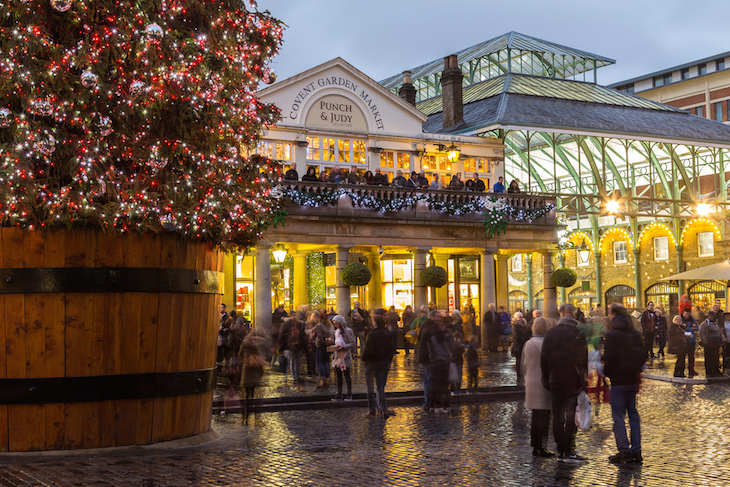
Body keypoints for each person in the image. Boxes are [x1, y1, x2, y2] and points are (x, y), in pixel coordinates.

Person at [540, 303, 588, 463]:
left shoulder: (551, 332)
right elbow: (583, 361)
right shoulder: (578, 334)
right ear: (573, 314)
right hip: (572, 380)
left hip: (555, 379)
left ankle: (560, 450)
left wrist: (545, 377)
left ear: (561, 314)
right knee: (571, 416)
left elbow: (544, 357)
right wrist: (584, 381)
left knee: (557, 416)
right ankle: (569, 450)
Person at [605, 304, 645, 464]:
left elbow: (609, 358)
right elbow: (643, 355)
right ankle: (637, 450)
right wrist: (633, 369)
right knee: (633, 415)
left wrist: (608, 372)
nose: (608, 316)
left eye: (609, 313)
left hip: (618, 381)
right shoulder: (634, 333)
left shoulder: (612, 334)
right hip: (631, 380)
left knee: (619, 417)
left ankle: (624, 451)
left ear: (614, 314)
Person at [523, 317, 554, 457]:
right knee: (545, 416)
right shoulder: (547, 343)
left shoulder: (528, 343)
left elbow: (523, 365)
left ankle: (535, 445)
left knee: (535, 415)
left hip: (531, 382)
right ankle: (542, 446)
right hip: (543, 382)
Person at [362, 314, 396, 417]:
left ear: (375, 322)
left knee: (371, 388)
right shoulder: (387, 333)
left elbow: (369, 349)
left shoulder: (372, 335)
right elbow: (391, 349)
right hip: (384, 363)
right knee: (380, 387)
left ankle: (372, 410)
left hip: (373, 364)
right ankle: (383, 408)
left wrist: (364, 359)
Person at [239, 326, 270, 424]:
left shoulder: (246, 342)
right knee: (258, 397)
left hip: (247, 370)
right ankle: (257, 419)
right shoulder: (263, 343)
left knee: (248, 395)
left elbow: (240, 354)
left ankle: (246, 418)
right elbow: (268, 354)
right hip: (257, 371)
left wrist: (246, 360)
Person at [418, 310, 442, 412]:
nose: (440, 318)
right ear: (432, 317)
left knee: (429, 380)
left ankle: (429, 402)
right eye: (438, 317)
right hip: (429, 358)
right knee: (429, 380)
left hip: (426, 357)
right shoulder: (430, 329)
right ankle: (428, 403)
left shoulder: (425, 326)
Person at [330, 315, 356, 401]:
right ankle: (339, 393)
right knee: (338, 376)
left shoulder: (348, 331)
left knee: (347, 375)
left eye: (337, 323)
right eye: (334, 324)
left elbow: (352, 343)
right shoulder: (336, 331)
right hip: (337, 357)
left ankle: (349, 393)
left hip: (345, 357)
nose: (336, 325)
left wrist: (344, 347)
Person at [699, 311, 726, 377]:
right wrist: (705, 342)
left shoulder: (716, 324)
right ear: (708, 316)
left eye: (713, 316)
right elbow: (701, 334)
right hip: (709, 344)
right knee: (709, 359)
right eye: (710, 316)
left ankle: (716, 370)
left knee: (716, 358)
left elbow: (720, 332)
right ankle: (709, 371)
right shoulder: (704, 324)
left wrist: (723, 338)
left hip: (716, 344)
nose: (712, 317)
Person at [312, 314, 334, 388]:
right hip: (328, 345)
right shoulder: (330, 326)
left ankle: (322, 379)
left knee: (319, 363)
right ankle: (327, 379)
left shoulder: (319, 325)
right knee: (327, 362)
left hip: (320, 345)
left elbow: (311, 331)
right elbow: (332, 335)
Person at [511, 312, 532, 382]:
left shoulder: (525, 324)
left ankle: (522, 374)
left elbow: (528, 333)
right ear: (515, 318)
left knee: (524, 361)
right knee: (519, 361)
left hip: (524, 344)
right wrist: (525, 340)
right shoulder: (515, 325)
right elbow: (516, 336)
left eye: (521, 317)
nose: (521, 319)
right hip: (518, 346)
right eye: (519, 317)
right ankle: (519, 375)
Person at [681, 308, 699, 377]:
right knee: (682, 357)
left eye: (688, 314)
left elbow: (697, 328)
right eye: (686, 314)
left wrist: (695, 326)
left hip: (691, 340)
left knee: (691, 357)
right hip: (684, 341)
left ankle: (691, 370)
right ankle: (681, 371)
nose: (687, 315)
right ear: (683, 314)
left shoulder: (692, 320)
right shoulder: (681, 320)